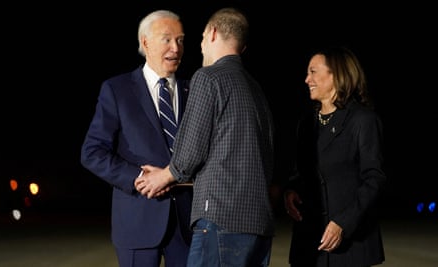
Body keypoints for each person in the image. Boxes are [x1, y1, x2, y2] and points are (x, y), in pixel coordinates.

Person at [135, 7, 276, 267]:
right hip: (260, 225)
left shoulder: (208, 78)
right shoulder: (256, 88)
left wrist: (164, 176)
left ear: (212, 34)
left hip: (221, 220)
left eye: (199, 38)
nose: (199, 47)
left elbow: (191, 152)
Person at [80, 10, 192, 267]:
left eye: (181, 40)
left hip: (188, 225)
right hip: (137, 220)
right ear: (145, 42)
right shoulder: (117, 90)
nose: (176, 48)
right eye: (167, 39)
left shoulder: (195, 89)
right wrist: (139, 178)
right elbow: (92, 152)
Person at [283, 46, 386, 267]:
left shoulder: (362, 120)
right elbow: (300, 171)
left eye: (313, 72)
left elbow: (374, 179)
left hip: (350, 247)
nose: (306, 79)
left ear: (336, 74)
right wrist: (291, 191)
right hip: (309, 246)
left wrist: (343, 223)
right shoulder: (306, 123)